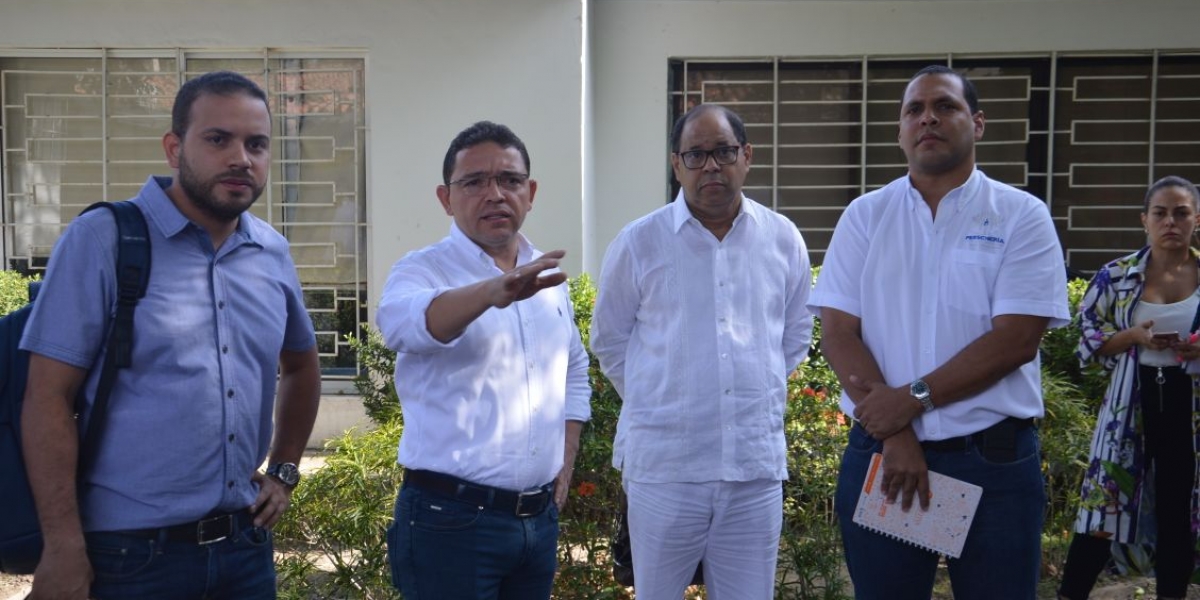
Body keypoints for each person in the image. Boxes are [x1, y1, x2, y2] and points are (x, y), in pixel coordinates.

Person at [20, 71, 321, 600]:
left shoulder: (271, 253)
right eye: (218, 139)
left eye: (257, 144)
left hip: (243, 552)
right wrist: (63, 546)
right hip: (129, 558)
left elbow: (300, 365)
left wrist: (285, 470)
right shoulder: (104, 239)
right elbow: (47, 397)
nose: (240, 159)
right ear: (173, 147)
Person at [808, 65, 1070, 599]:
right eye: (913, 110)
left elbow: (1016, 339)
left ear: (977, 123)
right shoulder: (865, 216)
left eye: (945, 106)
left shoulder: (1021, 216)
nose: (928, 117)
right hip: (886, 458)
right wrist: (898, 433)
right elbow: (838, 332)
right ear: (901, 131)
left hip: (993, 466)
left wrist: (912, 401)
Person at [590, 104, 814, 599]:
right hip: (666, 468)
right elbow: (609, 340)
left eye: (723, 152)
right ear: (676, 165)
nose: (710, 166)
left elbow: (794, 337)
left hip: (752, 470)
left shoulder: (782, 239)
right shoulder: (638, 243)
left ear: (746, 156)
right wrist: (664, 392)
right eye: (695, 155)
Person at [377, 120, 591, 600]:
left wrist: (568, 447)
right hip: (449, 522)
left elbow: (573, 366)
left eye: (509, 180)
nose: (494, 193)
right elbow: (403, 325)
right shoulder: (422, 269)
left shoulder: (545, 276)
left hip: (535, 524)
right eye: (474, 182)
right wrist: (492, 292)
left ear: (530, 192)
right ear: (445, 198)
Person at [1058, 176, 1200, 600]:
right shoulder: (1116, 276)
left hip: (1186, 404)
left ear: (1197, 219)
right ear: (1144, 220)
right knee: (1104, 506)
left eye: (1181, 212)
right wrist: (1134, 337)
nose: (1170, 222)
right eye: (1160, 213)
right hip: (1129, 402)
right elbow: (1087, 338)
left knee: (1178, 511)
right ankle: (1070, 594)